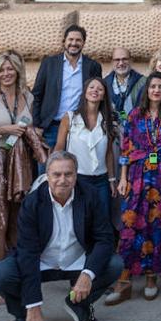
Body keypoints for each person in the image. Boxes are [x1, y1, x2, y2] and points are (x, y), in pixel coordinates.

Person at [0, 151, 122, 321]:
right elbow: (27, 253)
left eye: (68, 174)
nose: (62, 180)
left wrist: (87, 274)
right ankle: (23, 316)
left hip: (76, 260)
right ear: (47, 176)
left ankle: (78, 304)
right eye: (56, 174)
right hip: (41, 262)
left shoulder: (90, 195)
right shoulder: (32, 203)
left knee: (114, 264)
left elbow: (105, 239)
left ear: (76, 175)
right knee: (2, 273)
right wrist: (34, 306)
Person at [0, 51, 45, 305]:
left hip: (22, 162)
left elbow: (28, 128)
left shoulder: (28, 96)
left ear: (17, 71)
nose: (6, 74)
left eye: (10, 69)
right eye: (1, 70)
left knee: (17, 223)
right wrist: (5, 129)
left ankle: (11, 278)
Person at [109, 72, 161, 303]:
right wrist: (123, 178)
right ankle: (123, 280)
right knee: (130, 225)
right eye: (153, 86)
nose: (156, 90)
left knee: (157, 226)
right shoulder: (135, 115)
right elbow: (126, 149)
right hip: (137, 175)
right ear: (147, 90)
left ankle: (152, 277)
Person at [55, 76, 118, 225]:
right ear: (84, 92)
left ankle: (102, 248)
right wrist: (54, 174)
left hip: (101, 180)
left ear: (104, 95)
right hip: (77, 179)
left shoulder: (108, 121)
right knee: (78, 220)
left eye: (100, 89)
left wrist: (111, 179)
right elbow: (59, 147)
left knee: (102, 220)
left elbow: (109, 153)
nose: (95, 90)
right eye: (91, 87)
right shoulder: (69, 118)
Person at [31, 25, 103, 153]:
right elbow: (36, 95)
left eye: (78, 40)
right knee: (48, 168)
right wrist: (37, 125)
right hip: (51, 127)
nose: (74, 43)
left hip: (80, 126)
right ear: (64, 41)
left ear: (83, 43)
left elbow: (96, 96)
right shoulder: (49, 63)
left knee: (77, 168)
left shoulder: (93, 66)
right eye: (70, 39)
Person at [103, 47, 143, 118]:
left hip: (137, 126)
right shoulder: (104, 84)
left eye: (125, 59)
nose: (121, 63)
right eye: (117, 60)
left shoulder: (143, 82)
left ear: (131, 61)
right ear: (112, 62)